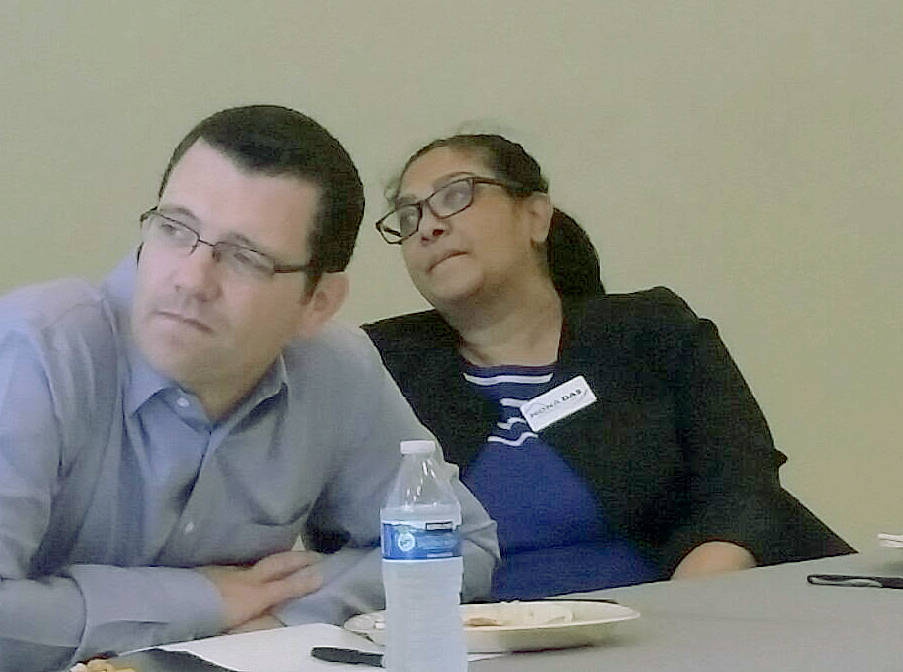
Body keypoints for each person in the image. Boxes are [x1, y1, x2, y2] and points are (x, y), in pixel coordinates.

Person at [0, 106, 498, 672]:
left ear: (317, 302)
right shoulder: (37, 347)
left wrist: (279, 613)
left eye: (245, 256)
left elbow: (460, 546)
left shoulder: (336, 369)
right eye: (176, 230)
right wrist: (199, 600)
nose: (189, 278)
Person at [363, 133, 852, 601]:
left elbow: (743, 489)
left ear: (535, 216)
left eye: (455, 195)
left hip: (666, 629)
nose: (428, 226)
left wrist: (690, 620)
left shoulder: (649, 332)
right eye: (408, 216)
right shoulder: (379, 366)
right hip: (464, 645)